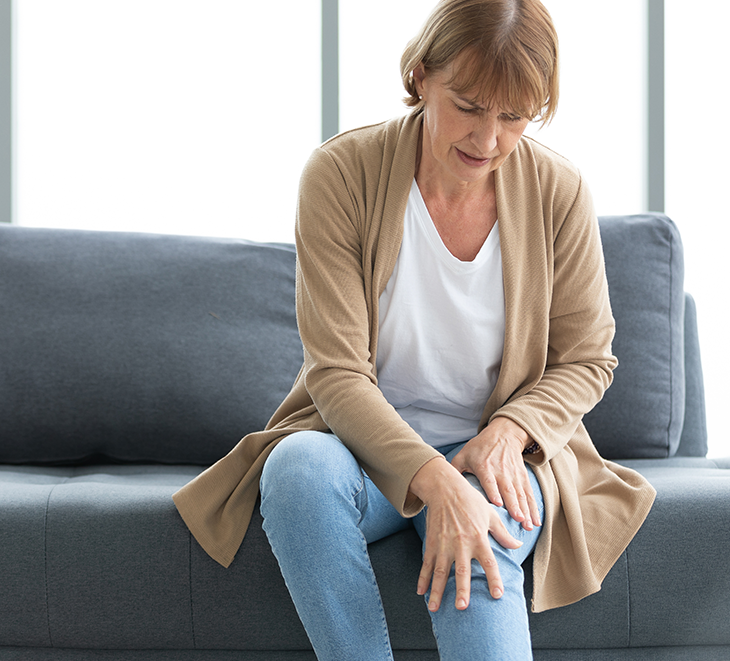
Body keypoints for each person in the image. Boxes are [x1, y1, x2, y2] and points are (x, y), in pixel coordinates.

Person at [174, 0, 656, 658]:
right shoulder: (341, 176)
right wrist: (437, 482)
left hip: (497, 456)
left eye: (513, 117)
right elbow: (337, 374)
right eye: (468, 104)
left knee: (481, 556)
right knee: (295, 470)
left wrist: (508, 433)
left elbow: (587, 358)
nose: (487, 140)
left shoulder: (559, 191)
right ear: (422, 74)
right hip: (361, 451)